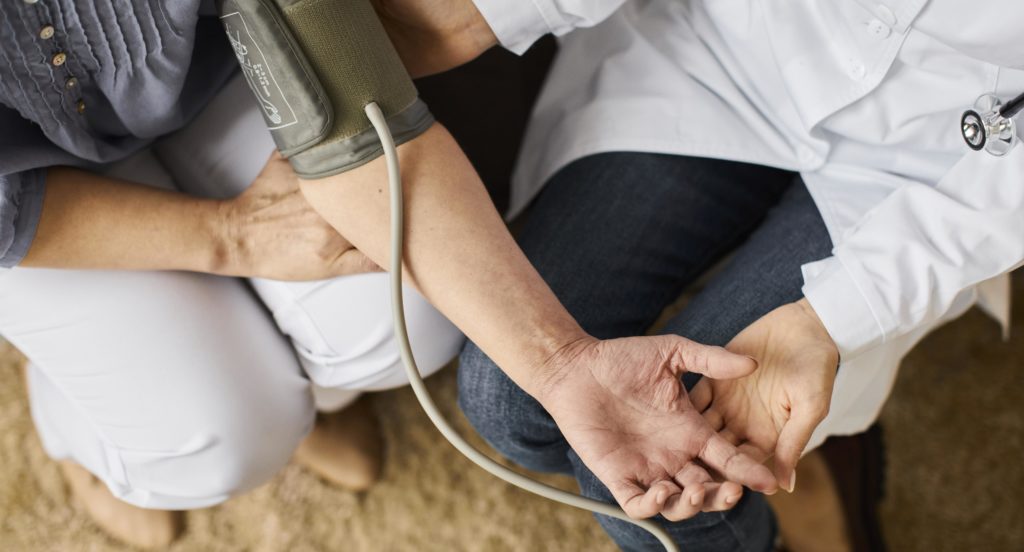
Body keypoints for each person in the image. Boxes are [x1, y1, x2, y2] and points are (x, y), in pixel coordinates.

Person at [0, 1, 780, 548]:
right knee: (222, 439)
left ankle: (306, 386)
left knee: (409, 317)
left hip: (209, 58)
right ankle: (78, 432)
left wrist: (560, 363)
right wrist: (230, 237)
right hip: (20, 192)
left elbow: (323, 50)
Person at [374, 0, 1024, 550]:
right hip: (724, 63)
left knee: (659, 477)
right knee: (507, 400)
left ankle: (794, 490)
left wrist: (830, 318)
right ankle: (798, 469)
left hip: (934, 159)